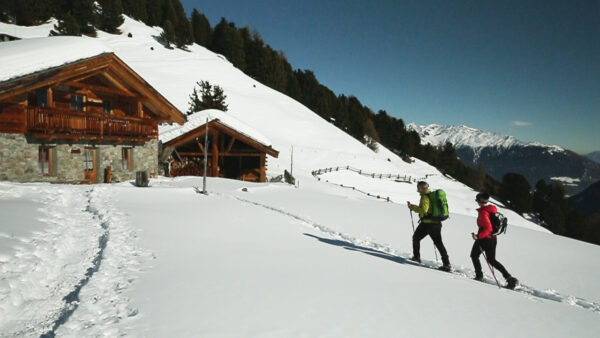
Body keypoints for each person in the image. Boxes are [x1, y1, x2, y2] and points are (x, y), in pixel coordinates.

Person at [471, 192, 518, 289]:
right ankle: (510, 278)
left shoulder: (484, 212)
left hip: (484, 239)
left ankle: (479, 275)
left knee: (474, 255)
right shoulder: (490, 210)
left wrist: (478, 236)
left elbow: (488, 229)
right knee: (492, 260)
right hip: (492, 239)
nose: (476, 201)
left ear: (480, 201)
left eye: (477, 199)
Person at [407, 181, 451, 271]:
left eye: (418, 188)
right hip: (436, 223)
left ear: (422, 188)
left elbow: (424, 210)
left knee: (416, 238)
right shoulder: (431, 195)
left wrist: (412, 207)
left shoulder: (425, 197)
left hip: (428, 224)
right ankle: (447, 264)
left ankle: (416, 257)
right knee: (439, 243)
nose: (417, 190)